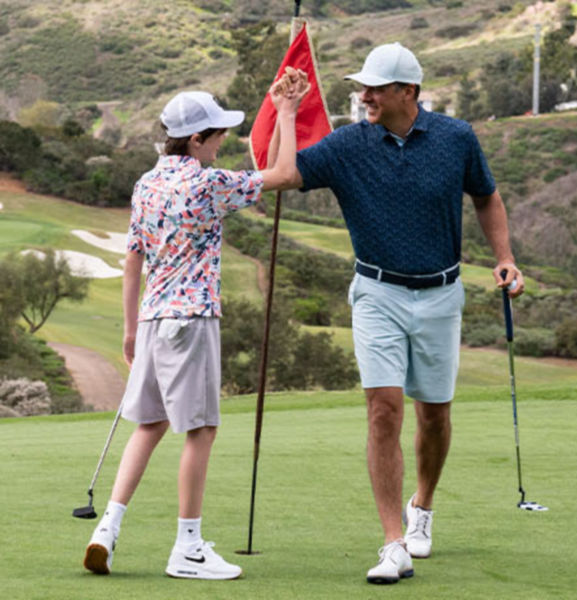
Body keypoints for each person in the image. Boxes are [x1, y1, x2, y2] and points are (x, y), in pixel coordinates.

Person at [272, 44, 524, 583]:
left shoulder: (456, 138)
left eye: (375, 88)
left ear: (407, 92)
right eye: (362, 87)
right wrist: (287, 113)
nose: (364, 96)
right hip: (377, 292)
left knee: (433, 415)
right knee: (383, 408)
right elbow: (285, 174)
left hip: (441, 294)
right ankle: (393, 544)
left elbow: (487, 196)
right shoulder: (346, 145)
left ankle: (422, 508)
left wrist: (504, 258)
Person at [82, 70, 309, 580]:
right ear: (197, 139)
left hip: (153, 319)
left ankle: (106, 530)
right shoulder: (207, 182)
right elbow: (286, 175)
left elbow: (133, 258)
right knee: (201, 429)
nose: (224, 142)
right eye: (219, 135)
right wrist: (289, 114)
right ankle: (187, 547)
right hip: (192, 318)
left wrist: (128, 329)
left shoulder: (147, 182)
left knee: (150, 424)